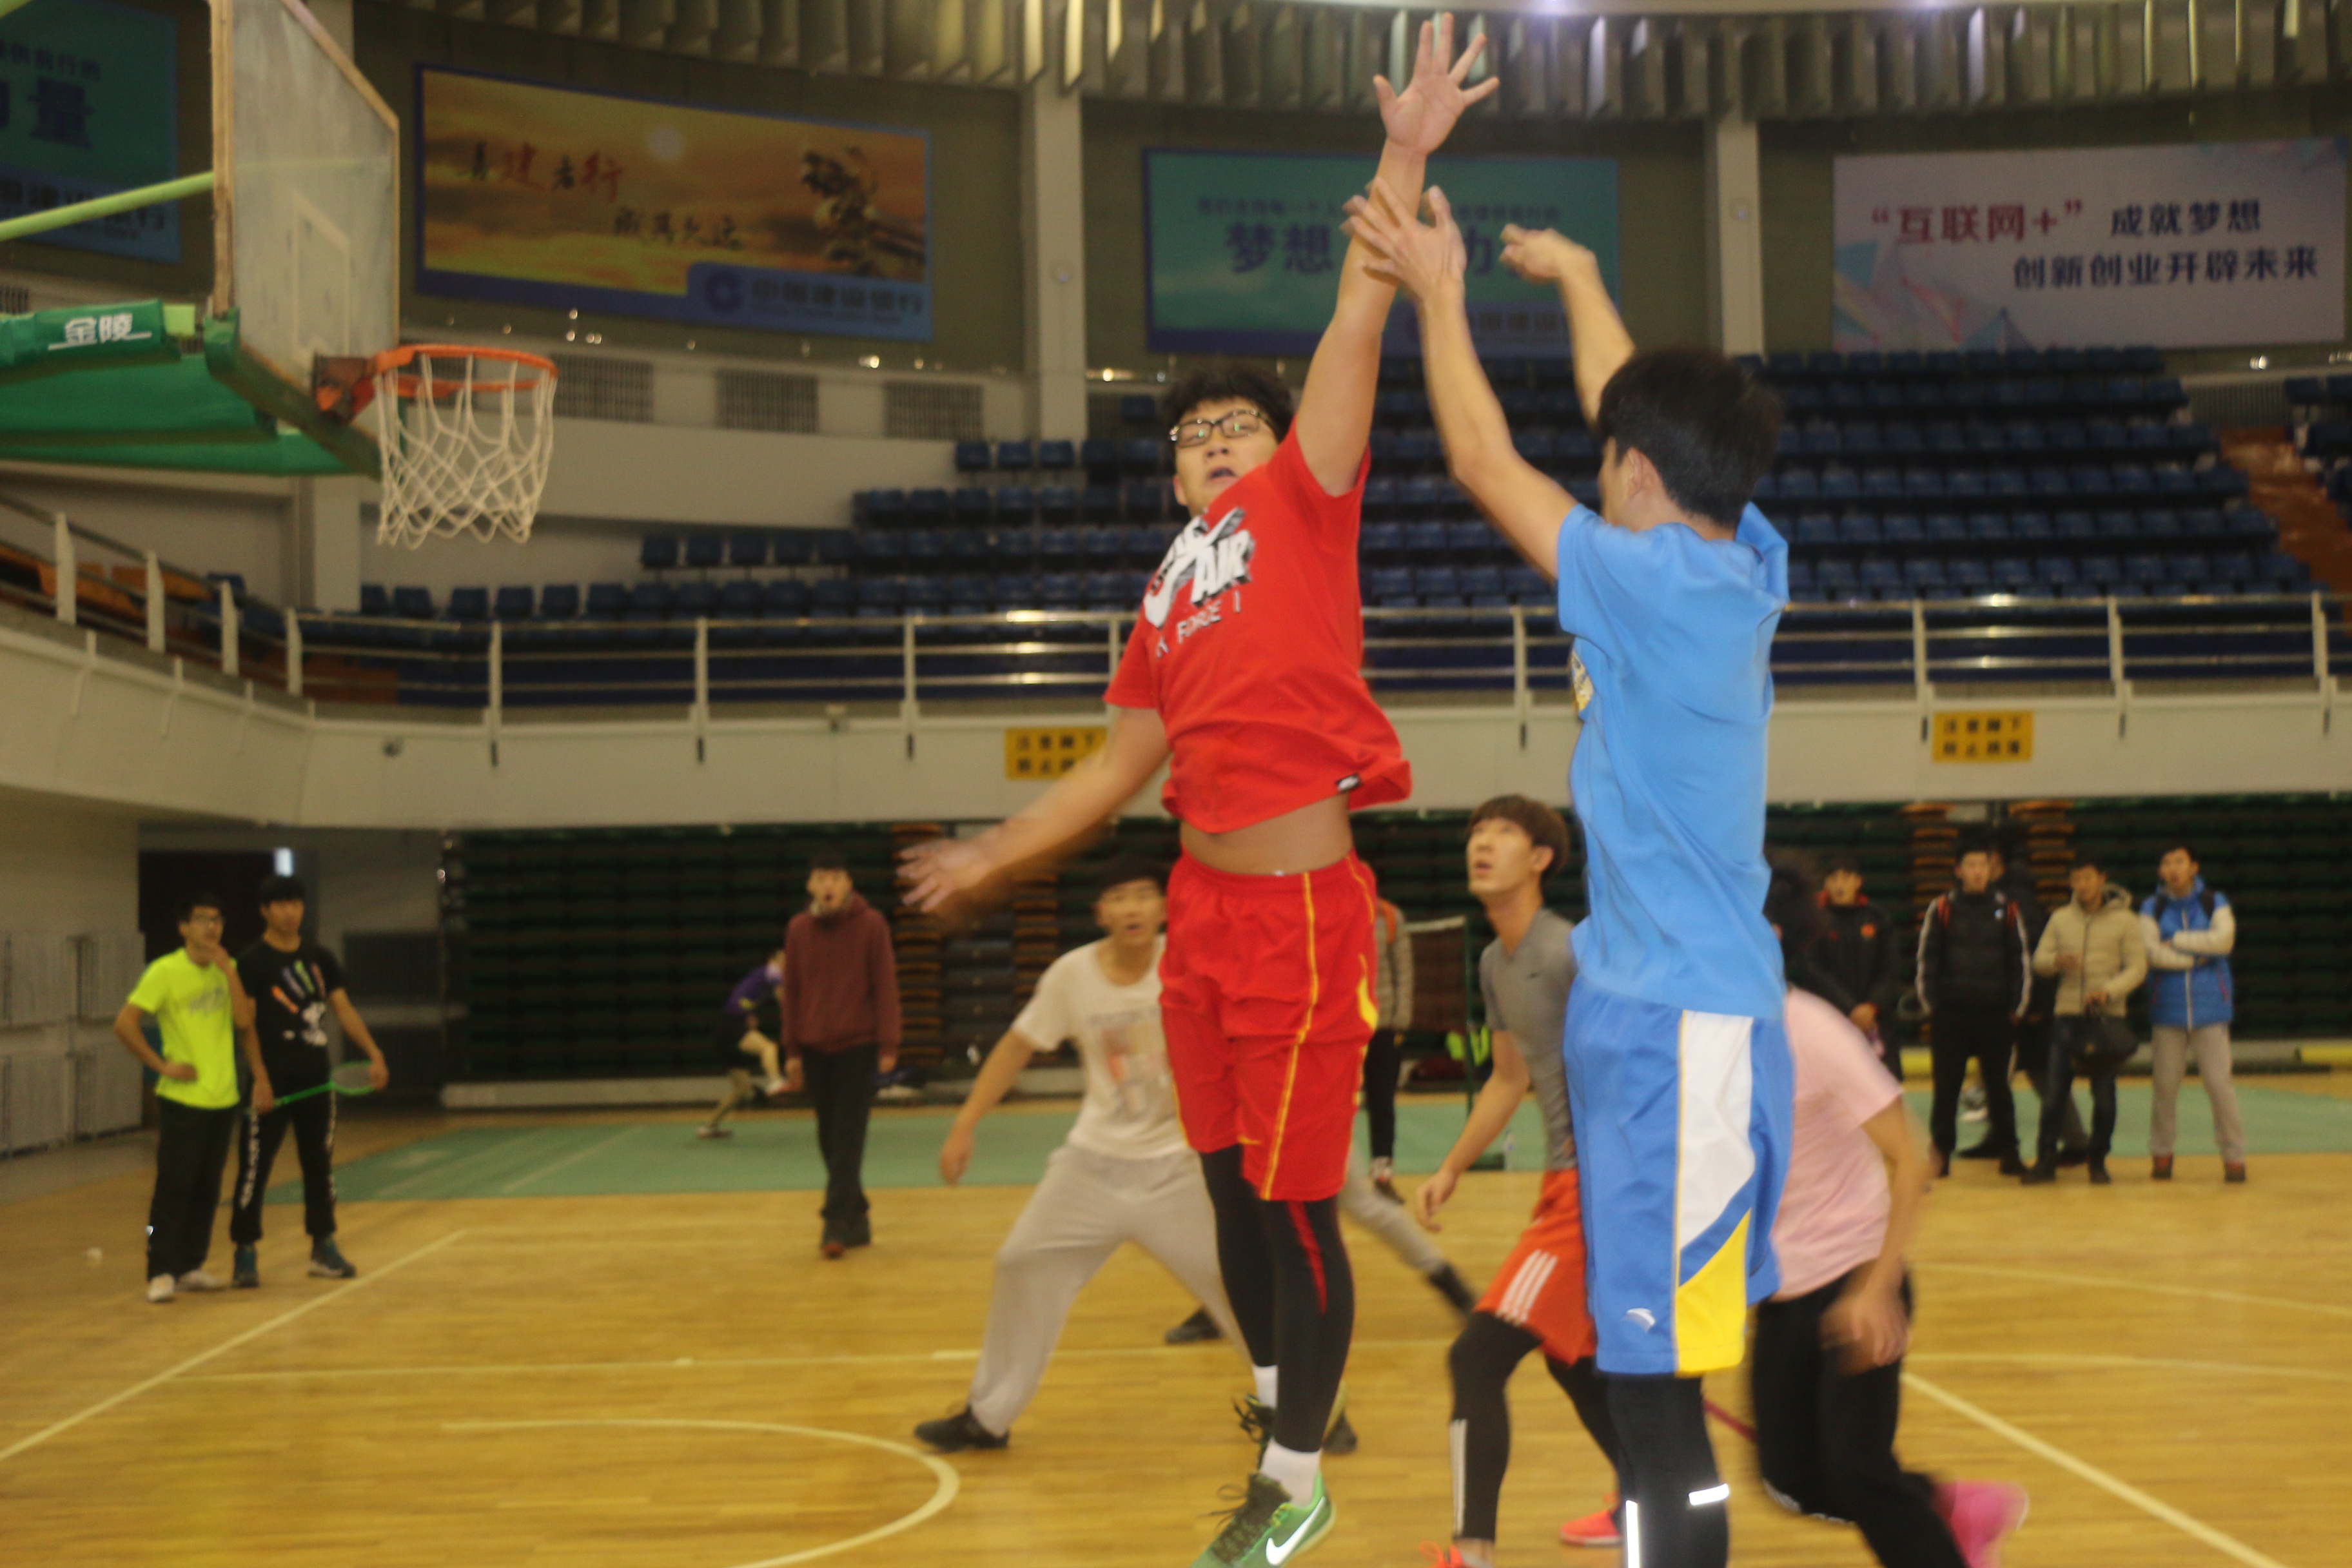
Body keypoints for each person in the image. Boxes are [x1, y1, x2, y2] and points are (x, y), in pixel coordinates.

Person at [904, 23, 1493, 1565]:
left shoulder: (1304, 497)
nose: (1213, 442)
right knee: (1227, 1188)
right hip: (1202, 918)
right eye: (1191, 436)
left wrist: (1405, 151)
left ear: (1274, 444)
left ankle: (1295, 1483)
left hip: (1299, 906)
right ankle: (1280, 1402)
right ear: (1170, 479)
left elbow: (1356, 311)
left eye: (1234, 424)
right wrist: (992, 849)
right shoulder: (1162, 597)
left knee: (1294, 1205)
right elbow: (1111, 772)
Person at [1346, 161, 1792, 1568]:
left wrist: (1440, 294)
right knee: (1643, 1381)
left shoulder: (1654, 584)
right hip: (1664, 1026)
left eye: (1611, 462)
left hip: (1682, 1040)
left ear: (1638, 479)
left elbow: (1485, 465)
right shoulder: (1737, 555)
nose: (1600, 471)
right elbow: (1629, 416)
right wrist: (1584, 280)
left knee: (1653, 1402)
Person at [915, 860, 1250, 1451]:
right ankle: (988, 1417)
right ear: (1100, 913)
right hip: (1093, 1166)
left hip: (1180, 1167)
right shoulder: (1072, 975)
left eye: (1143, 895)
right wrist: (964, 1125)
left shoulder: (1194, 963)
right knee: (1021, 1262)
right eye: (1118, 896)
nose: (1132, 908)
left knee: (1243, 1286)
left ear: (1164, 907)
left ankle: (1313, 1411)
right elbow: (1017, 1046)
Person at [1757, 863, 2029, 1568]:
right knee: (1790, 1478)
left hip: (1854, 1272)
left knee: (1858, 1467)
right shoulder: (1713, 1033)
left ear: (1767, 934)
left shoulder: (1813, 1031)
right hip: (1781, 1287)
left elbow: (1917, 1157)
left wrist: (1877, 1287)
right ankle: (1952, 1505)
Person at [1411, 796, 1620, 1567]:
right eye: (1476, 831)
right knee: (1571, 1356)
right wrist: (1451, 1165)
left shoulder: (1572, 951)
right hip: (1564, 1184)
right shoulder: (1496, 961)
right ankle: (1646, 1494)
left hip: (1595, 1190)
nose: (1482, 842)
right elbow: (1508, 1077)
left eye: (1503, 832)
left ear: (1539, 859)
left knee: (1476, 1354)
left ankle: (1472, 1550)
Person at [228, 876, 389, 1286]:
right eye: (282, 905)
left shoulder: (321, 958)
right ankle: (245, 1251)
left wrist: (374, 1052)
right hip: (270, 1084)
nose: (291, 912)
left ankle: (323, 1246)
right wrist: (259, 1078)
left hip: (317, 1082)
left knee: (319, 1166)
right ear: (265, 911)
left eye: (296, 904)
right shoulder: (251, 962)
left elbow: (343, 1010)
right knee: (254, 1169)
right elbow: (247, 1025)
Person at [113, 893, 260, 1304]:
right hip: (182, 1100)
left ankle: (191, 1265)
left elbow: (244, 1021)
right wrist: (160, 1065)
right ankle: (159, 1269)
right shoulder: (165, 971)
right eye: (202, 919)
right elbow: (125, 1024)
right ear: (183, 927)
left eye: (218, 919)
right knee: (173, 1188)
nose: (212, 927)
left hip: (223, 1097)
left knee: (207, 1188)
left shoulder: (227, 971)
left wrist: (228, 971)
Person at [781, 850, 900, 1255]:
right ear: (810, 886)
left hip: (858, 1046)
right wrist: (792, 1049)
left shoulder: (872, 925)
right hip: (814, 1047)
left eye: (835, 877)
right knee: (828, 1137)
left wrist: (889, 1041)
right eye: (821, 878)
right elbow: (792, 992)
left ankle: (834, 1222)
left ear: (849, 883)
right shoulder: (798, 929)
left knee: (848, 1135)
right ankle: (859, 1215)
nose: (828, 885)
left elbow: (885, 984)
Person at [2023, 858, 2146, 1186]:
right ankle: (2045, 1161)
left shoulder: (2126, 920)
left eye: (2088, 878)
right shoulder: (2060, 918)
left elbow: (2137, 967)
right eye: (2076, 879)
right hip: (2066, 1016)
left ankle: (2098, 1161)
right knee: (2054, 1095)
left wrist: (2109, 991)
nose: (2082, 885)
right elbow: (2038, 960)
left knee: (2104, 1096)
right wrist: (2056, 961)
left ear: (2102, 879)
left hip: (2106, 1017)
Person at [1912, 845, 2027, 1176]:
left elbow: (2019, 962)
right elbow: (1927, 959)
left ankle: (2009, 1154)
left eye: (1982, 865)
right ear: (1959, 871)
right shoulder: (1942, 908)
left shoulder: (2008, 909)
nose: (1977, 871)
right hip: (1951, 1015)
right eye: (1971, 865)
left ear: (1991, 871)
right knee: (1946, 1090)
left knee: (1999, 1089)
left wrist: (2015, 1007)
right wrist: (1932, 1006)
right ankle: (1941, 1157)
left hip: (1995, 1015)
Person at [1968, 835, 2084, 1164]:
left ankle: (2076, 1141)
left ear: (1995, 862)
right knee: (1999, 1070)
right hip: (2007, 1002)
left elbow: (2032, 955)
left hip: (2026, 1005)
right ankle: (1999, 1136)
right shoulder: (1998, 896)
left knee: (2042, 1072)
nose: (1975, 870)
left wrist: (2035, 1005)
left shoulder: (2017, 900)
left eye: (1980, 863)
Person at [2140, 845, 2246, 1184]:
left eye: (2180, 862)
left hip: (2211, 1010)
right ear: (2160, 870)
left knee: (2219, 1086)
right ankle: (2162, 1154)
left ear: (2194, 867)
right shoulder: (2151, 907)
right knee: (2165, 1088)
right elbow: (2151, 953)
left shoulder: (2215, 902)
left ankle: (2234, 1158)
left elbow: (2224, 942)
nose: (2173, 868)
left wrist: (2177, 940)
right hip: (2167, 1012)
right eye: (2166, 862)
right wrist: (2197, 957)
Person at [1814, 852, 1909, 1075]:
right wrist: (1851, 1009)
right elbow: (1813, 970)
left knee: (1884, 1085)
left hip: (1876, 1019)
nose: (1840, 885)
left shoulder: (1877, 917)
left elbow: (1891, 967)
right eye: (1834, 879)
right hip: (1831, 1019)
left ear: (1858, 882)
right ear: (1826, 884)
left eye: (1846, 878)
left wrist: (1872, 1006)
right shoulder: (1816, 921)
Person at [696, 946, 789, 1139]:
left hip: (725, 1029)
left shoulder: (761, 977)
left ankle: (709, 1127)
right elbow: (783, 1000)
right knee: (769, 1047)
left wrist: (750, 1013)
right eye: (782, 958)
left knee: (741, 1090)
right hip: (732, 1025)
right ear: (772, 959)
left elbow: (744, 997)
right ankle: (775, 1081)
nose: (786, 962)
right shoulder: (771, 971)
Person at [1366, 895, 1413, 1198]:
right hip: (1341, 1028)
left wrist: (1400, 1020)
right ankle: (1331, 1181)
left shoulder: (1391, 917)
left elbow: (1404, 971)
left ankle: (1382, 1176)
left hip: (1383, 1027)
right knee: (1332, 1109)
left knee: (1382, 1104)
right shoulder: (1328, 910)